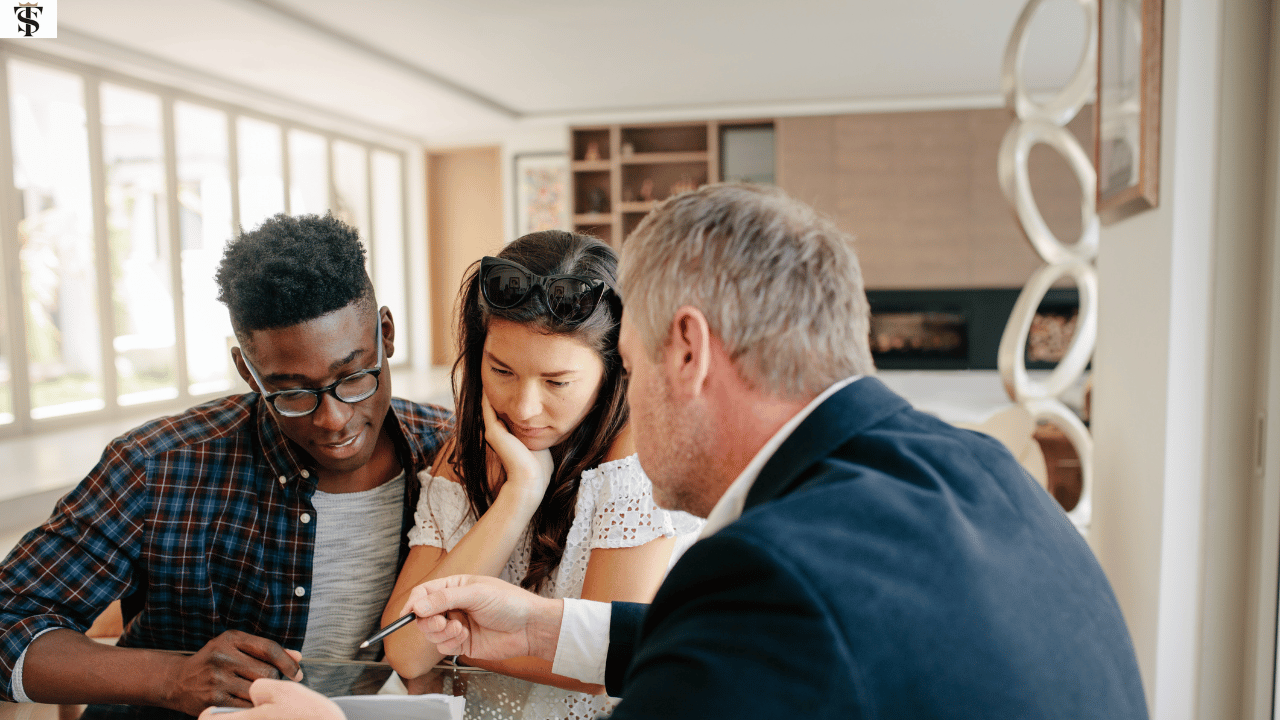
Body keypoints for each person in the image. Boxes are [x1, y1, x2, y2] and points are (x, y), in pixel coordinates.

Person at [206, 184, 1149, 720]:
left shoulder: (776, 571)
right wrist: (539, 629)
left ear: (686, 351)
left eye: (633, 362)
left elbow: (771, 628)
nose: (624, 398)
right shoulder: (972, 469)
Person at [0, 213, 450, 716]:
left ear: (386, 336)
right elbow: (8, 621)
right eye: (292, 393)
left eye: (353, 376)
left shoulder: (449, 456)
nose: (333, 419)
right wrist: (171, 677)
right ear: (248, 372)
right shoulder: (159, 466)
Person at [378, 230, 701, 719]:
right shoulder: (465, 454)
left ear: (613, 370)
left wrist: (455, 644)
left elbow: (599, 666)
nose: (525, 409)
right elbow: (404, 651)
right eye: (501, 371)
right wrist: (519, 495)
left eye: (557, 382)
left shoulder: (636, 456)